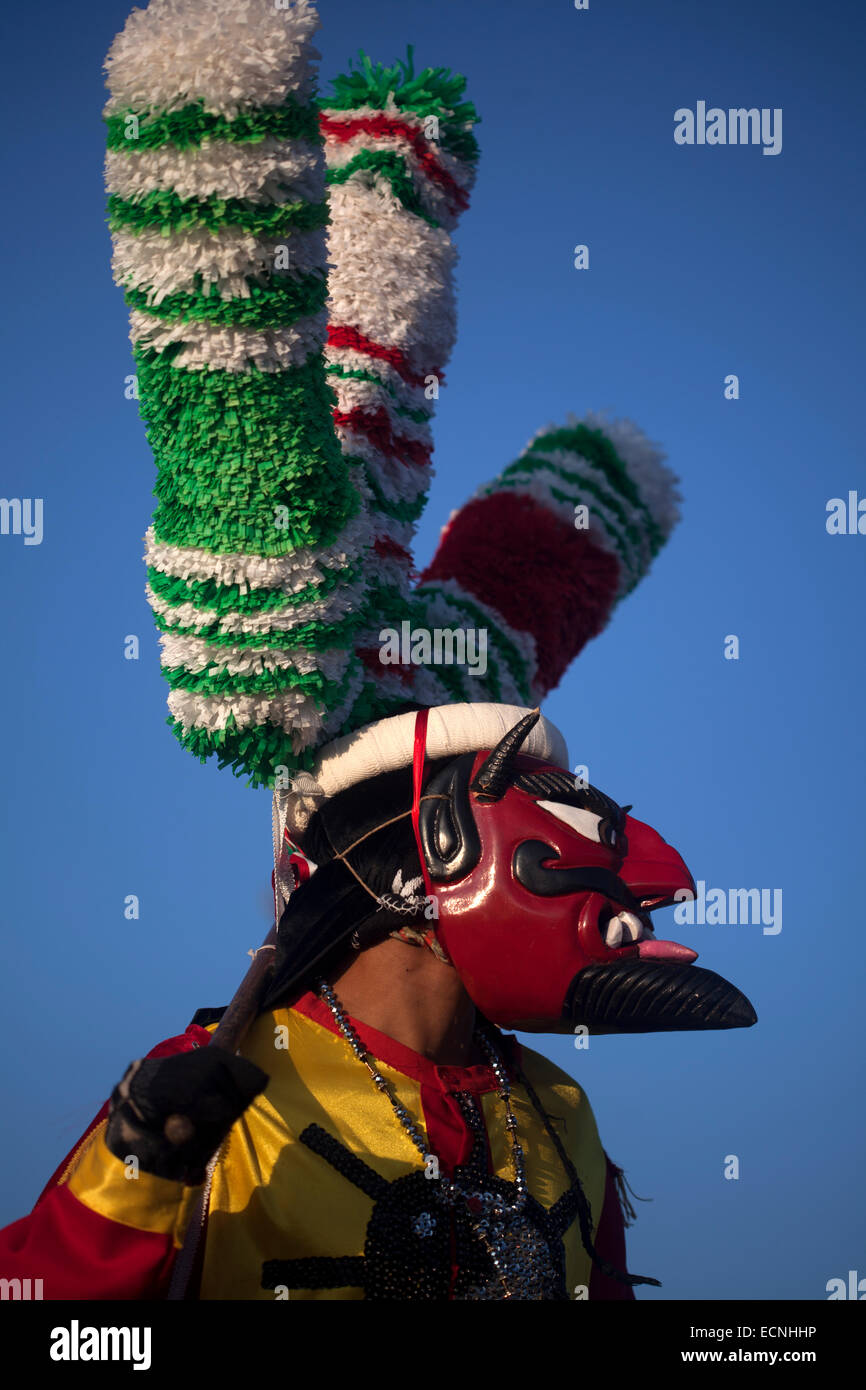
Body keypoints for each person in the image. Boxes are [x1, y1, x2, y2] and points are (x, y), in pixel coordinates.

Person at [0, 0, 755, 1301]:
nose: (594, 846)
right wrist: (135, 1168)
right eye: (538, 803)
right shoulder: (216, 1082)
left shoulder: (556, 1116)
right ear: (427, 854)